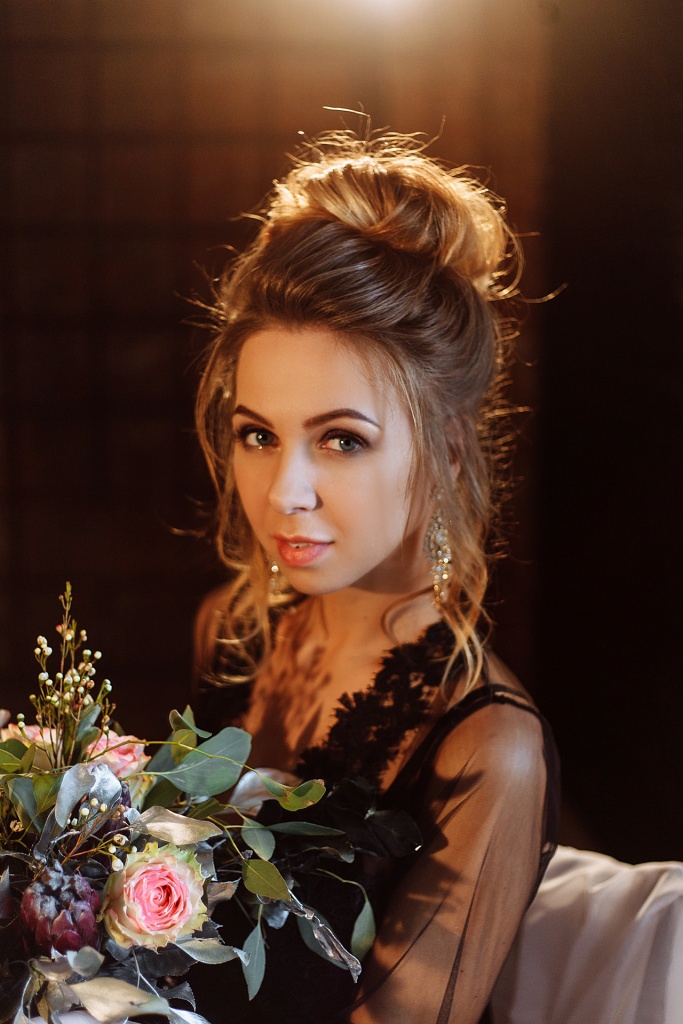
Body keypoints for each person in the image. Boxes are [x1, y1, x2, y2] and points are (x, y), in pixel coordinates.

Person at [191, 128, 559, 1024]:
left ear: (447, 453)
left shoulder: (487, 750)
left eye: (341, 440)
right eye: (257, 434)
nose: (284, 492)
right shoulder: (233, 633)